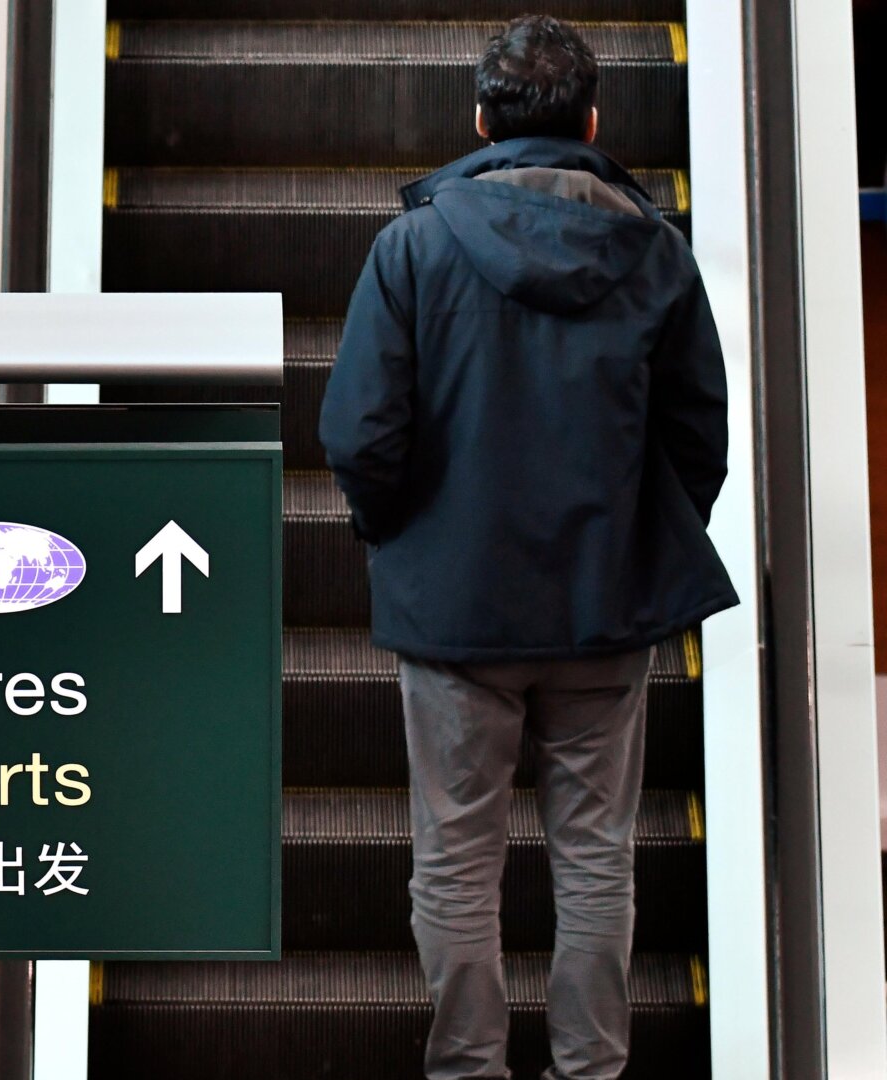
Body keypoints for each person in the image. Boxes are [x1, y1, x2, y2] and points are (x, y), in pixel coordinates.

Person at [317, 15, 739, 1080]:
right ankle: (590, 1068)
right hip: (605, 609)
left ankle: (468, 1067)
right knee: (596, 860)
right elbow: (700, 435)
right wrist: (636, 541)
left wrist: (407, 538)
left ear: (479, 119)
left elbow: (359, 432)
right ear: (593, 123)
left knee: (456, 858)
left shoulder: (411, 248)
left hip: (457, 610)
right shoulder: (656, 251)